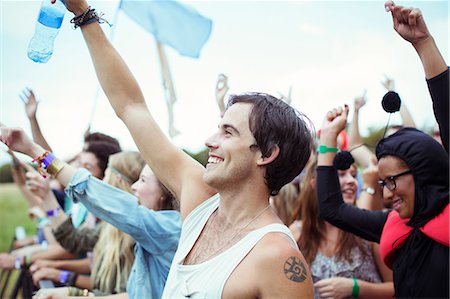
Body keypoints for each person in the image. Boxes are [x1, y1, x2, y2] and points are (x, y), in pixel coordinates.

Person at [18, 0, 315, 296]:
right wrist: (82, 13)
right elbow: (131, 106)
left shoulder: (278, 259)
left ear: (266, 153)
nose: (209, 141)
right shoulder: (199, 201)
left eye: (228, 132)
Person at [315, 3, 449, 296]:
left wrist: (424, 44)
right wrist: (327, 140)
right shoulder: (392, 223)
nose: (386, 194)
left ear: (422, 173)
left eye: (392, 181)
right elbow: (331, 208)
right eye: (382, 183)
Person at [30, 151, 144, 296]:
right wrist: (46, 196)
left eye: (106, 174)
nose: (102, 181)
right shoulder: (109, 227)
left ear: (118, 180)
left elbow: (127, 294)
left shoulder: (138, 236)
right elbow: (74, 240)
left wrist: (74, 292)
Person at [289, 157, 394, 298]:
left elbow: (397, 287)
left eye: (354, 175)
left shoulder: (367, 228)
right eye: (341, 174)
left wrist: (356, 287)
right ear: (316, 184)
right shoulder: (296, 233)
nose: (351, 181)